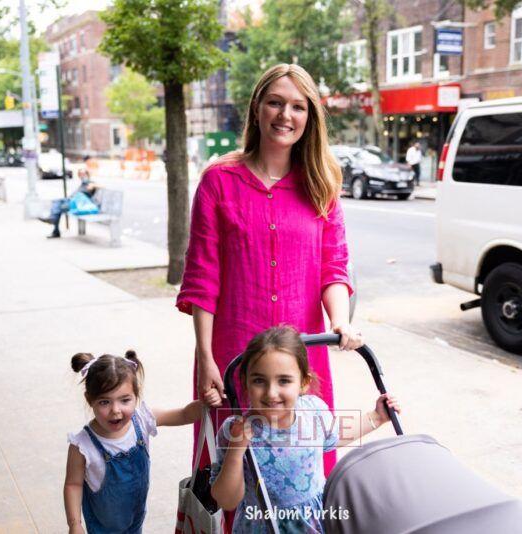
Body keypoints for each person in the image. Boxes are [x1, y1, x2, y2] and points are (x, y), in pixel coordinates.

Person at [176, 63, 362, 477]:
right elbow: (202, 278)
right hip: (233, 355)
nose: (285, 115)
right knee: (230, 466)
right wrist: (205, 357)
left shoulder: (321, 185)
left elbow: (333, 267)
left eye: (298, 106)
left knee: (302, 468)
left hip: (301, 354)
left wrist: (340, 322)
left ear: (309, 117)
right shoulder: (219, 181)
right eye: (275, 103)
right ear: (257, 108)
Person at [210, 326, 401, 533]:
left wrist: (376, 417)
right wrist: (236, 451)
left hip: (314, 523)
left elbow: (335, 435)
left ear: (303, 383)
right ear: (245, 383)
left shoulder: (312, 411)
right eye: (259, 381)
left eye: (284, 381)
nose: (271, 393)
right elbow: (226, 500)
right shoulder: (235, 430)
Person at [63, 350, 219, 534]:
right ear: (89, 400)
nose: (115, 410)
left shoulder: (142, 420)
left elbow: (184, 414)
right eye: (104, 402)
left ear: (136, 396)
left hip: (135, 520)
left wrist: (205, 404)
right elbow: (73, 485)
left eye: (125, 400)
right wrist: (75, 524)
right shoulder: (82, 446)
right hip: (101, 528)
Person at [40, 170, 98, 239]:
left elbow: (99, 185)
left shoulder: (90, 183)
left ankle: (54, 227)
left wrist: (93, 185)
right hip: (72, 201)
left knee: (57, 209)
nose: (82, 176)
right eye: (80, 174)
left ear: (87, 174)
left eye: (83, 174)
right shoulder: (82, 184)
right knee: (56, 202)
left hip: (79, 205)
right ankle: (53, 221)